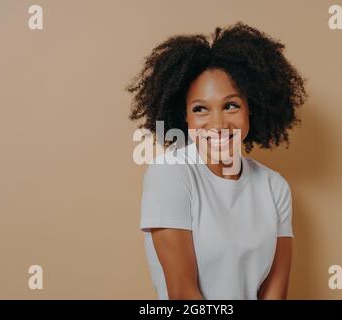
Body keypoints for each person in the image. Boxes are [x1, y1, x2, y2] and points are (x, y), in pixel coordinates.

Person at [127, 22, 307, 300]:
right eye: (200, 109)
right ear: (184, 116)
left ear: (252, 108)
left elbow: (274, 294)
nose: (218, 123)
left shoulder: (274, 186)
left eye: (231, 105)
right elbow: (183, 294)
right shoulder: (170, 174)